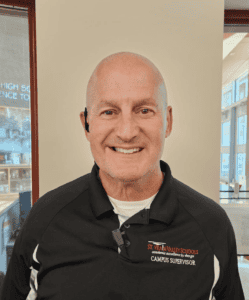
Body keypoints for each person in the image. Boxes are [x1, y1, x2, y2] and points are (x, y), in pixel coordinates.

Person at [1, 52, 245, 300]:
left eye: (144, 110)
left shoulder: (212, 225)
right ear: (87, 124)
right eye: (109, 112)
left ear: (168, 121)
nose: (127, 132)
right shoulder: (45, 218)